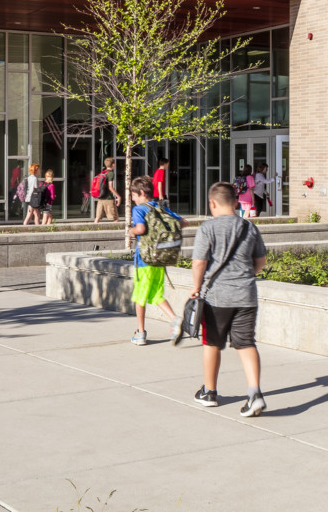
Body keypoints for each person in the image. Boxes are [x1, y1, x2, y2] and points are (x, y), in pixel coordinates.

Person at [189, 181, 269, 416]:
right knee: (246, 343)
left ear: (212, 203)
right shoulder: (249, 227)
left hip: (217, 297)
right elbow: (261, 261)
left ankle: (209, 392)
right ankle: (255, 393)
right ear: (235, 202)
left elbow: (199, 262)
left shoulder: (207, 228)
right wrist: (245, 277)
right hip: (246, 295)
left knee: (212, 342)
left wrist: (196, 287)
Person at [127, 175, 184, 345]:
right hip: (160, 258)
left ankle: (141, 332)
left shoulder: (139, 210)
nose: (133, 199)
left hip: (144, 259)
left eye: (134, 196)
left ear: (142, 193)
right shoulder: (161, 208)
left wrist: (131, 231)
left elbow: (141, 228)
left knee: (140, 297)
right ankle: (175, 319)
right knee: (156, 294)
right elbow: (183, 222)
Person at [93, 157, 119, 222]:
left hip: (100, 198)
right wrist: (118, 196)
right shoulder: (111, 174)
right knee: (115, 218)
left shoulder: (103, 173)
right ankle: (116, 231)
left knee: (97, 218)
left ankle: (94, 230)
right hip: (108, 199)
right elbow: (110, 187)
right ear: (113, 165)